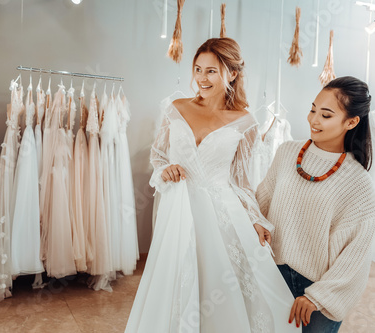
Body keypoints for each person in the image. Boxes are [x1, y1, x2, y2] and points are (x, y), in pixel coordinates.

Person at [125, 38, 300, 333]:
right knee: (176, 277)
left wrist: (256, 218)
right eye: (198, 70)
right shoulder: (175, 108)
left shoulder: (246, 122)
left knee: (218, 286)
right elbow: (158, 156)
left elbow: (242, 181)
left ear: (231, 73)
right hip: (178, 209)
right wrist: (166, 169)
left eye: (211, 71)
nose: (201, 79)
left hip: (220, 213)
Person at [256, 76, 375, 333]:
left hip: (318, 291)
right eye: (313, 110)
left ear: (352, 122)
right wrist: (256, 222)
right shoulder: (287, 152)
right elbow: (261, 202)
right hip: (272, 274)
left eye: (326, 115)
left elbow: (355, 254)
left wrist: (318, 296)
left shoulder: (358, 181)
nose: (313, 120)